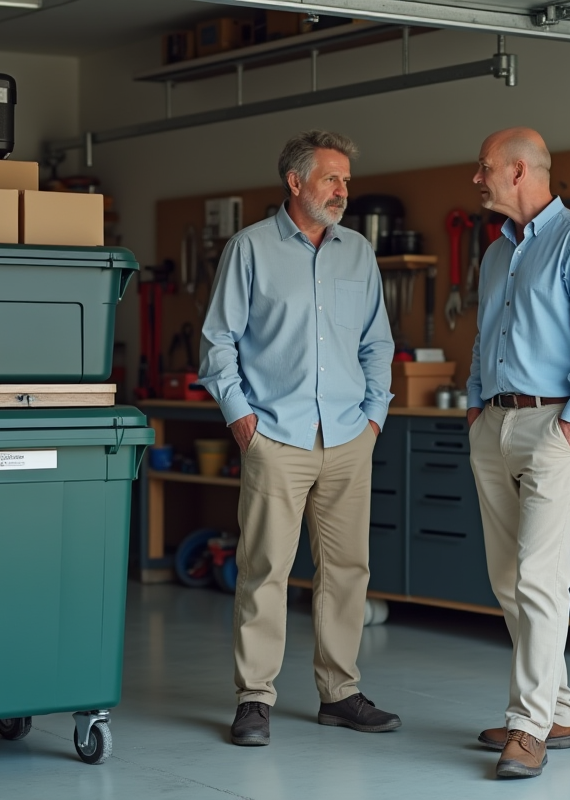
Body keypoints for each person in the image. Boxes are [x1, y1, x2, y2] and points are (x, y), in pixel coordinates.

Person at [198, 130, 399, 748]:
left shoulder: (358, 252)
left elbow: (377, 342)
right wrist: (242, 421)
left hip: (348, 435)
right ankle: (254, 699)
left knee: (347, 571)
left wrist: (374, 416)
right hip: (276, 436)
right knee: (264, 570)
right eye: (330, 179)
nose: (342, 191)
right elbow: (217, 343)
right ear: (295, 181)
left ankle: (339, 693)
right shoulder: (250, 248)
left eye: (345, 181)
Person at [465, 127, 570, 779]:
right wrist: (475, 404)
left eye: (485, 168)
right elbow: (485, 337)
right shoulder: (495, 253)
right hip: (495, 423)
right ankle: (555, 711)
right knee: (509, 578)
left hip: (555, 423)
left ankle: (527, 728)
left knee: (539, 575)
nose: (477, 179)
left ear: (519, 170)